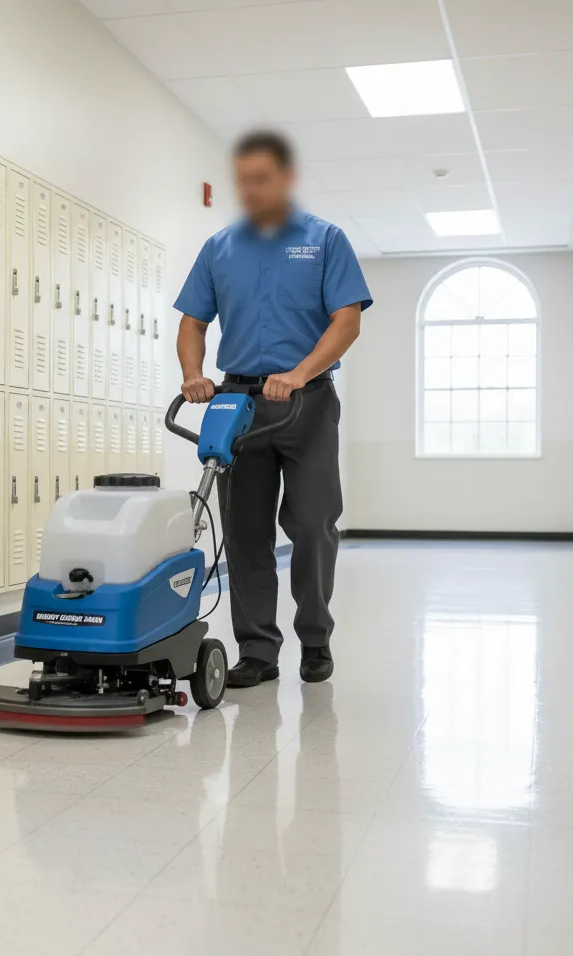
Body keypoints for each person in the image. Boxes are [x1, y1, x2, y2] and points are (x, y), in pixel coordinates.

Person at [174, 130, 372, 688]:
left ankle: (315, 639)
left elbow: (348, 320)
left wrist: (300, 373)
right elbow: (193, 321)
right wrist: (193, 374)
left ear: (286, 179)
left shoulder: (325, 239)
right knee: (244, 532)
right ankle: (257, 650)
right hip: (237, 404)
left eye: (261, 179)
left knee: (312, 524)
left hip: (305, 402)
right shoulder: (219, 247)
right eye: (243, 181)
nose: (251, 190)